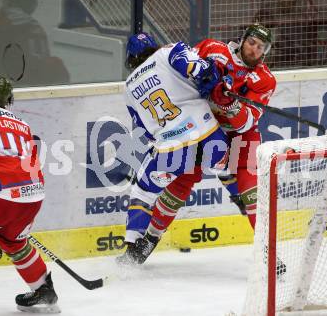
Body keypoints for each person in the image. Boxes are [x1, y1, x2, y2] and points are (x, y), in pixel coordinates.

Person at [119, 24, 286, 276]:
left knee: (253, 193)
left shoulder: (265, 80)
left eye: (261, 47)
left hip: (240, 137)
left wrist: (229, 103)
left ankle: (269, 251)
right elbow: (184, 77)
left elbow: (248, 121)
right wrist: (210, 84)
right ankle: (150, 239)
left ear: (265, 52)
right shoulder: (212, 48)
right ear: (243, 40)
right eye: (252, 42)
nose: (255, 49)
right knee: (178, 188)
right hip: (203, 128)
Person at [116, 33, 229, 265]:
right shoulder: (168, 51)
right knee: (230, 173)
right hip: (210, 137)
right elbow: (200, 69)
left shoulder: (128, 87)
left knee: (143, 192)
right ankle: (244, 205)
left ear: (130, 58)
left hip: (172, 150)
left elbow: (143, 129)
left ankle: (132, 249)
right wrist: (213, 78)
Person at [0, 76, 59, 313]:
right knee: (14, 242)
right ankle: (43, 290)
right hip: (33, 196)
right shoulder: (22, 124)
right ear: (8, 99)